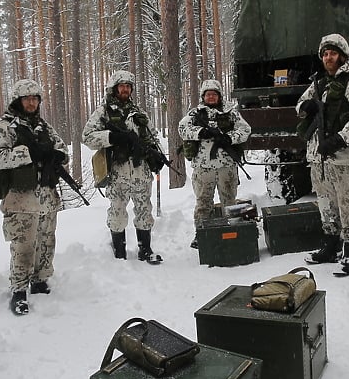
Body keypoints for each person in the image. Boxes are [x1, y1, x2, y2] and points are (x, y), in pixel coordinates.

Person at [296, 33, 349, 276]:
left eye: (333, 53)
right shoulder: (319, 83)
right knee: (326, 202)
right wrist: (304, 108)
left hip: (346, 156)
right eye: (325, 54)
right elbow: (300, 105)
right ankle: (331, 246)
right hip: (320, 156)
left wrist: (340, 139)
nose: (329, 57)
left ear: (343, 55)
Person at [0, 79, 68, 316]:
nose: (31, 102)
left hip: (46, 196)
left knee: (46, 241)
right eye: (27, 99)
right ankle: (19, 291)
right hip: (20, 199)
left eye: (35, 98)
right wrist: (27, 153)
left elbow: (62, 150)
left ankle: (41, 281)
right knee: (23, 246)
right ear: (18, 101)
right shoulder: (6, 127)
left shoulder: (44, 126)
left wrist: (56, 156)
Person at [82, 70, 164, 264]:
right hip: (117, 172)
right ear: (114, 88)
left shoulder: (138, 113)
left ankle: (146, 249)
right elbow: (87, 137)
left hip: (140, 171)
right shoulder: (103, 112)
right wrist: (111, 138)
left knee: (144, 209)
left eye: (128, 86)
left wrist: (156, 153)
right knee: (117, 211)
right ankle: (119, 251)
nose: (125, 89)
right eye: (121, 86)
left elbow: (152, 135)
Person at [178, 79, 252, 248]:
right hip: (203, 168)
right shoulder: (195, 114)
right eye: (208, 94)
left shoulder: (230, 112)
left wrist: (229, 138)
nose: (211, 97)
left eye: (214, 94)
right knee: (203, 203)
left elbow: (245, 130)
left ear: (219, 95)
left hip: (226, 166)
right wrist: (200, 132)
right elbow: (182, 129)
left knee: (230, 201)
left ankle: (232, 232)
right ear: (203, 96)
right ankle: (201, 234)